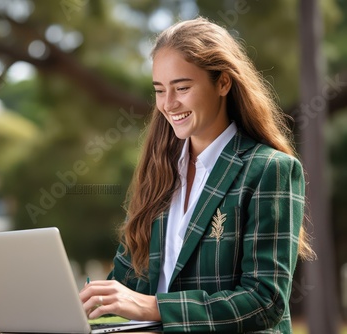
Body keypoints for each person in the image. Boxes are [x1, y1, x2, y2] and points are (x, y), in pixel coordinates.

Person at [79, 17, 315, 333]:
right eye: (159, 90)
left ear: (223, 83)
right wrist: (64, 312)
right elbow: (126, 284)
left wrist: (153, 306)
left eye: (183, 87)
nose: (168, 104)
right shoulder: (158, 171)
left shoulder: (269, 169)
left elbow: (264, 301)